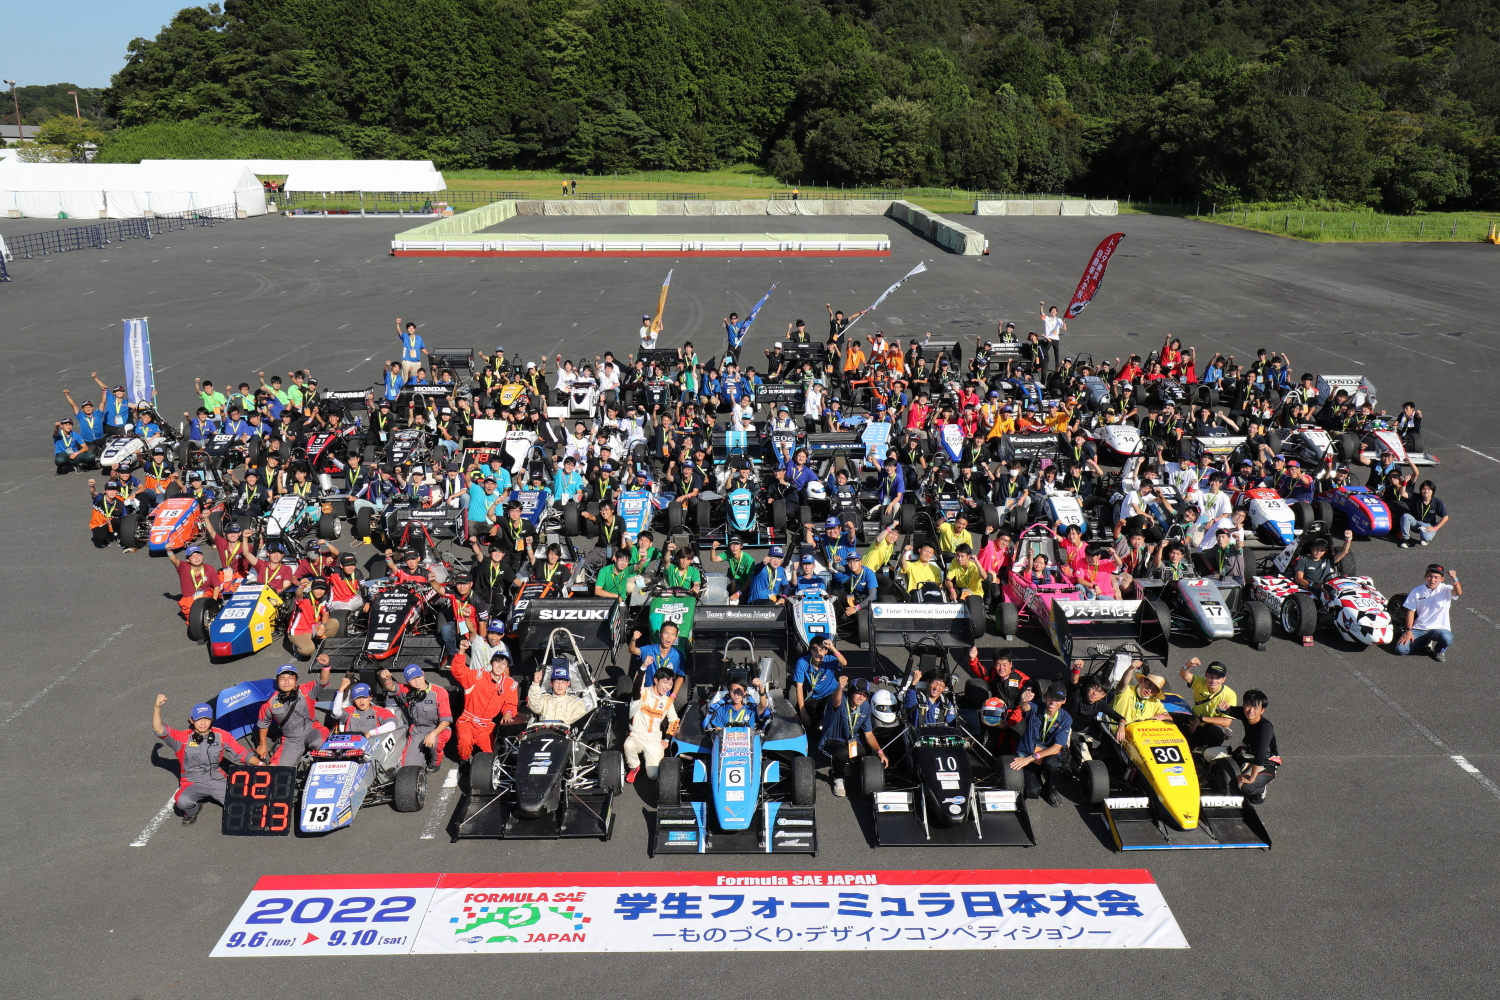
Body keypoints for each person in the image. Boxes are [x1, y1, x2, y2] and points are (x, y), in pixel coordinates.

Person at [151, 695, 251, 826]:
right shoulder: (182, 738)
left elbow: (242, 753)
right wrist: (157, 707)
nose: (203, 723)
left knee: (242, 804)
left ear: (211, 720)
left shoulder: (221, 735)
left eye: (206, 719)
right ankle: (193, 810)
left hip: (217, 779)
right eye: (199, 719)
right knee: (182, 802)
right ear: (192, 720)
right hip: (193, 782)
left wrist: (261, 764)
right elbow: (159, 729)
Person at [253, 663, 337, 764]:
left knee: (328, 749)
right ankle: (282, 747)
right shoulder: (269, 702)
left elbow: (323, 681)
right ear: (277, 681)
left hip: (313, 730)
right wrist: (262, 745)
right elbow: (263, 723)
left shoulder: (305, 690)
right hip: (290, 739)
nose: (286, 682)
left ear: (296, 680)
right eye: (282, 678)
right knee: (276, 768)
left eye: (290, 678)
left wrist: (326, 666)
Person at [820, 676, 887, 796]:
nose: (861, 697)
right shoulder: (841, 700)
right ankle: (838, 777)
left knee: (868, 752)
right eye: (858, 693)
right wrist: (840, 687)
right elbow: (836, 701)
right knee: (841, 752)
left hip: (852, 741)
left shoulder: (865, 707)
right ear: (851, 692)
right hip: (833, 740)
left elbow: (869, 734)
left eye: (864, 695)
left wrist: (880, 752)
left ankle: (846, 763)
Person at [378, 663, 454, 770]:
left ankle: (435, 763)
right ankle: (424, 753)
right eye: (413, 679)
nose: (417, 681)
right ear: (408, 682)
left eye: (419, 676)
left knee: (436, 742)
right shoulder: (407, 691)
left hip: (438, 729)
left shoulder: (440, 692)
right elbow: (391, 687)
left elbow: (446, 720)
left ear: (423, 674)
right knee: (409, 766)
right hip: (418, 730)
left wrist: (433, 734)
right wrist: (386, 679)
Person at [450, 643, 519, 761]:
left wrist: (508, 713)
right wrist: (461, 652)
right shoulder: (477, 676)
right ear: (491, 663)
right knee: (465, 742)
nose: (500, 666)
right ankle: (464, 762)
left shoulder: (509, 684)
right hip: (468, 722)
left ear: (507, 667)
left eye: (504, 663)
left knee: (490, 756)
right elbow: (458, 671)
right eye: (497, 662)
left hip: (487, 726)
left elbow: (510, 703)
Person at [1009, 685, 1072, 806]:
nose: (1053, 702)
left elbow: (1056, 748)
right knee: (1032, 792)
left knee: (1053, 765)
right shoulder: (1036, 706)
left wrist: (1030, 758)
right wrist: (1023, 701)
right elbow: (1025, 707)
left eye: (1058, 699)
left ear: (1064, 701)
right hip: (1028, 751)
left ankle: (1049, 790)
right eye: (1051, 697)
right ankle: (1036, 778)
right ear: (1045, 696)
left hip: (1046, 754)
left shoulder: (1066, 718)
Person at [1222, 690, 1279, 804]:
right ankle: (1245, 767)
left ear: (1262, 710)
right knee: (1210, 754)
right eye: (1248, 706)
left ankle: (1261, 790)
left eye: (1255, 708)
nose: (1251, 711)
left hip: (1265, 763)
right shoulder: (1246, 714)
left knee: (1246, 787)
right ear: (1244, 705)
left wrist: (1252, 778)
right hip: (1248, 753)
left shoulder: (1265, 727)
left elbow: (1261, 754)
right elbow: (1229, 710)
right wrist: (1221, 707)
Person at [1395, 564, 1462, 661]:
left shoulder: (1446, 590)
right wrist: (1408, 630)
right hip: (1419, 628)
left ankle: (1439, 651)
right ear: (1425, 576)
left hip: (1438, 629)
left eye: (1436, 577)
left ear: (1442, 579)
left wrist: (1455, 579)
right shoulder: (1416, 591)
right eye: (1430, 576)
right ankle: (1424, 642)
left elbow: (1458, 592)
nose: (1432, 580)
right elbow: (1410, 612)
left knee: (1447, 638)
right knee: (1400, 650)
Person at [624, 668, 680, 783]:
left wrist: (667, 739)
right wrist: (643, 668)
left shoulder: (668, 701)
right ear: (656, 680)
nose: (668, 687)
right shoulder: (643, 693)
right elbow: (637, 685)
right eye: (665, 682)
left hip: (654, 740)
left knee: (654, 775)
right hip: (637, 736)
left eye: (670, 684)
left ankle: (648, 758)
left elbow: (674, 721)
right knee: (628, 745)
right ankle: (634, 767)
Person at [1177, 657, 1237, 750]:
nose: (1213, 681)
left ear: (1223, 680)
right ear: (1205, 675)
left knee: (1216, 731)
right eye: (1211, 676)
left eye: (1218, 678)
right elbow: (1184, 675)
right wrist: (1188, 665)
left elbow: (1227, 722)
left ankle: (1210, 752)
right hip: (1194, 723)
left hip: (1211, 726)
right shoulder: (1200, 682)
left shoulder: (1230, 695)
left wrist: (1201, 719)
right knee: (1182, 745)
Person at [793, 636, 844, 736]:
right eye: (815, 650)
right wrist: (803, 712)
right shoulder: (802, 662)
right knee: (801, 718)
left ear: (826, 651)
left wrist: (833, 648)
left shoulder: (830, 660)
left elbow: (844, 662)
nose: (818, 653)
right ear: (810, 651)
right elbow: (799, 687)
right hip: (814, 695)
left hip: (830, 694)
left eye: (821, 650)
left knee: (829, 711)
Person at [1109, 666, 1171, 739]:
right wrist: (1131, 668)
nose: (1149, 690)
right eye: (1149, 685)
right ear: (1142, 680)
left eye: (1154, 689)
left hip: (1141, 738)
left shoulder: (1155, 702)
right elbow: (1123, 683)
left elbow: (1169, 718)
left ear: (1155, 693)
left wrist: (1161, 717)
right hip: (1116, 735)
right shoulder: (1126, 691)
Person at [629, 621, 685, 700]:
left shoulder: (678, 655)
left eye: (672, 634)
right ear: (660, 634)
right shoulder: (649, 650)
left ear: (676, 638)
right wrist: (633, 640)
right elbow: (633, 650)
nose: (668, 637)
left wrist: (673, 696)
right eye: (666, 633)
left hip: (664, 697)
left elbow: (681, 676)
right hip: (646, 695)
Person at [527, 659, 590, 726]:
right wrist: (535, 683)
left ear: (568, 684)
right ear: (551, 684)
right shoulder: (545, 699)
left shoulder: (576, 702)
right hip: (544, 731)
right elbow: (534, 706)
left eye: (563, 682)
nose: (560, 685)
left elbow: (577, 724)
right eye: (557, 682)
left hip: (565, 732)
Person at [166, 545, 220, 621]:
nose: (197, 558)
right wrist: (169, 551)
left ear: (202, 556)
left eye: (198, 554)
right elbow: (174, 560)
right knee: (195, 619)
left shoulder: (210, 568)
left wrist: (213, 601)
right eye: (193, 556)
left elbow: (217, 586)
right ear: (188, 560)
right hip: (190, 600)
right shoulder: (183, 567)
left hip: (205, 597)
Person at [330, 679, 400, 735]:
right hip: (349, 746)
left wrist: (371, 733)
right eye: (357, 698)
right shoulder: (350, 711)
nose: (361, 701)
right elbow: (336, 712)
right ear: (353, 700)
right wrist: (341, 690)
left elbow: (392, 725)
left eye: (364, 697)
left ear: (370, 697)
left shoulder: (379, 711)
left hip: (373, 745)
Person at [704, 677, 772, 730]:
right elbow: (718, 732)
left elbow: (763, 706)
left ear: (744, 693)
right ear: (729, 693)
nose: (736, 694)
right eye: (733, 691)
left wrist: (761, 687)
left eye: (739, 691)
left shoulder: (751, 709)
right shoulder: (721, 710)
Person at [1398, 480, 1448, 548]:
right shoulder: (1415, 496)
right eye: (1424, 489)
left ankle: (1423, 537)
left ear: (1433, 491)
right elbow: (1402, 493)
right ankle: (1406, 539)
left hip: (1428, 525)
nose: (1426, 491)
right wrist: (1404, 482)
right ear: (1420, 490)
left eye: (1429, 489)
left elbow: (1445, 517)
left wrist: (1435, 528)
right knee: (1405, 516)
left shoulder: (1437, 502)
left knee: (1426, 538)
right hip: (1415, 523)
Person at [395, 317, 428, 383]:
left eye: (412, 328)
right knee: (406, 379)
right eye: (409, 328)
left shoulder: (419, 338)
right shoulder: (405, 336)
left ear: (415, 329)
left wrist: (429, 354)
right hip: (407, 361)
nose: (411, 329)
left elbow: (422, 348)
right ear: (407, 329)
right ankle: (404, 389)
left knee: (416, 379)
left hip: (416, 362)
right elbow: (399, 331)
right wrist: (397, 324)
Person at [1039, 300, 1066, 371]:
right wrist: (1041, 306)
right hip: (1048, 339)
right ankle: (1041, 365)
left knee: (1057, 354)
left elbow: (1064, 329)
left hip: (1056, 339)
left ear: (1057, 312)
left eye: (1054, 310)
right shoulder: (1047, 318)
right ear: (1050, 312)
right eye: (1051, 310)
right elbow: (1042, 313)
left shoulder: (1059, 320)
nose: (1053, 312)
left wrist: (1064, 323)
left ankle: (1057, 368)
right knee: (1044, 352)